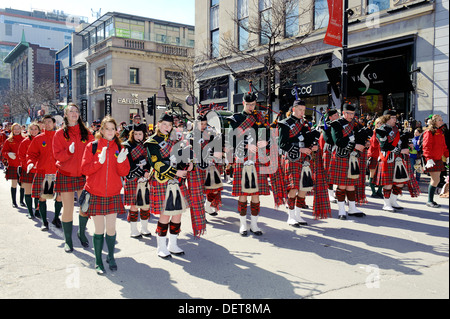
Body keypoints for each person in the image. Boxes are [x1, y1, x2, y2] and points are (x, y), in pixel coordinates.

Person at [81, 116, 130, 275]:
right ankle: (98, 260)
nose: (110, 131)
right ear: (101, 130)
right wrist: (98, 162)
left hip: (113, 194)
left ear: (116, 131)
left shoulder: (119, 147)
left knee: (111, 228)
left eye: (112, 128)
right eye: (106, 128)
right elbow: (85, 170)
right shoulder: (92, 146)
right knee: (99, 229)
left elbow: (124, 172)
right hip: (96, 193)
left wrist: (121, 161)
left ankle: (110, 256)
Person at [145, 112, 191, 258]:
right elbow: (156, 163)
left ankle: (173, 244)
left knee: (177, 213)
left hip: (177, 182)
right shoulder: (152, 142)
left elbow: (181, 157)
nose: (167, 127)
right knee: (165, 215)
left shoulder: (175, 140)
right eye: (164, 124)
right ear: (158, 124)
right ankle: (161, 246)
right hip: (162, 181)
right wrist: (175, 173)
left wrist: (188, 164)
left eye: (170, 125)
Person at [227, 92, 270, 236]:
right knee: (243, 194)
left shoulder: (260, 118)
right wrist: (246, 146)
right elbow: (232, 140)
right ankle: (243, 225)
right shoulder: (236, 119)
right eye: (249, 104)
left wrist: (265, 141)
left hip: (257, 157)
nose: (251, 107)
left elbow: (267, 134)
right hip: (243, 158)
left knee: (256, 194)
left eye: (253, 104)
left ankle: (254, 225)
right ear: (243, 103)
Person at [53, 104, 94, 252]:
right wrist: (68, 152)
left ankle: (81, 233)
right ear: (65, 115)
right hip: (66, 174)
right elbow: (57, 156)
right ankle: (68, 240)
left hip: (83, 176)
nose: (74, 113)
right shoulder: (59, 134)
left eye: (76, 111)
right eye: (71, 111)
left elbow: (93, 152)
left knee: (84, 208)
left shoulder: (87, 133)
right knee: (68, 209)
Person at [278, 100, 319, 227]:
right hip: (292, 158)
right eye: (300, 110)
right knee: (294, 187)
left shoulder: (305, 124)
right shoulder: (285, 124)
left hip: (305, 159)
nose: (302, 112)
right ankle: (290, 217)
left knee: (303, 187)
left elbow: (308, 140)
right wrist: (300, 149)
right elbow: (282, 144)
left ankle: (298, 214)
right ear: (294, 109)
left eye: (304, 110)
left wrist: (314, 146)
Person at [328, 104, 366, 220]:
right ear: (343, 113)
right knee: (342, 184)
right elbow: (338, 141)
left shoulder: (356, 125)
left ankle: (352, 208)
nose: (351, 116)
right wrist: (356, 145)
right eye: (348, 113)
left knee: (351, 184)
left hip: (353, 157)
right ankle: (341, 210)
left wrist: (364, 143)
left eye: (352, 113)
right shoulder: (336, 124)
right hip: (341, 156)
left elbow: (359, 138)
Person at [26, 114, 63, 230]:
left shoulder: (61, 137)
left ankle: (56, 218)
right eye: (45, 122)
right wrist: (30, 162)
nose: (47, 124)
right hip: (46, 172)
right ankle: (44, 221)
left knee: (59, 197)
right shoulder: (39, 138)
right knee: (43, 197)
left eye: (49, 122)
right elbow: (31, 154)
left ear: (54, 123)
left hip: (59, 172)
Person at [375, 110, 410, 211]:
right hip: (387, 157)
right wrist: (400, 150)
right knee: (388, 182)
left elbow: (399, 142)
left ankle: (393, 200)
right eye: (393, 118)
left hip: (398, 158)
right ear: (387, 118)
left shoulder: (396, 129)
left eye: (395, 118)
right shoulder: (381, 129)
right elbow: (384, 145)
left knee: (400, 182)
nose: (395, 120)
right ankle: (386, 204)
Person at [122, 125, 152, 238]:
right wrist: (141, 173)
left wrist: (146, 171)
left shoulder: (146, 145)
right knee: (134, 205)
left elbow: (149, 160)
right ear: (131, 134)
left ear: (144, 134)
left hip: (144, 178)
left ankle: (144, 228)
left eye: (140, 134)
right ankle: (133, 230)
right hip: (132, 178)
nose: (137, 136)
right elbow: (128, 163)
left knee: (145, 204)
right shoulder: (127, 146)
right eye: (135, 134)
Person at [422, 114, 449, 208]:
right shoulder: (429, 132)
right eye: (439, 120)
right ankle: (429, 200)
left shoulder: (440, 131)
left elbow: (444, 146)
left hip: (438, 158)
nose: (441, 121)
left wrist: (447, 156)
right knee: (435, 180)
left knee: (436, 180)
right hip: (432, 159)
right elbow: (426, 146)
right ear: (434, 122)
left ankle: (431, 200)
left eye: (441, 120)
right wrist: (428, 158)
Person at [18, 122, 41, 219]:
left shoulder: (42, 140)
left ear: (39, 130)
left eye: (36, 129)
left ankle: (37, 210)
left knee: (38, 193)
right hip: (27, 170)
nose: (34, 131)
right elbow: (21, 156)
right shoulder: (25, 142)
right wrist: (29, 165)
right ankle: (30, 211)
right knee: (28, 191)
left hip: (39, 170)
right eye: (32, 129)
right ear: (28, 130)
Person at [2, 123, 25, 208]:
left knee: (23, 184)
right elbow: (3, 152)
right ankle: (14, 202)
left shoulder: (25, 139)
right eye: (14, 129)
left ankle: (22, 201)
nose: (16, 130)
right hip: (13, 165)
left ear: (21, 129)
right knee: (14, 184)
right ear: (12, 130)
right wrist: (8, 154)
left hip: (23, 165)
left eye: (18, 128)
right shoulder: (9, 140)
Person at [319, 109, 340, 203]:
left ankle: (339, 193)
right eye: (335, 115)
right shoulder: (326, 125)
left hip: (339, 150)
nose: (337, 116)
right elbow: (329, 140)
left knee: (339, 173)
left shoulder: (341, 124)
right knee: (329, 173)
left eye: (338, 114)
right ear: (330, 117)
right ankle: (330, 194)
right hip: (329, 150)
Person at [367, 118, 383, 198]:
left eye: (381, 123)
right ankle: (373, 192)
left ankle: (379, 192)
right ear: (376, 124)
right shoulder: (374, 132)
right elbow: (373, 145)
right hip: (374, 156)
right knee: (372, 175)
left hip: (382, 156)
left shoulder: (384, 132)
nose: (380, 124)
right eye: (378, 123)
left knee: (382, 175)